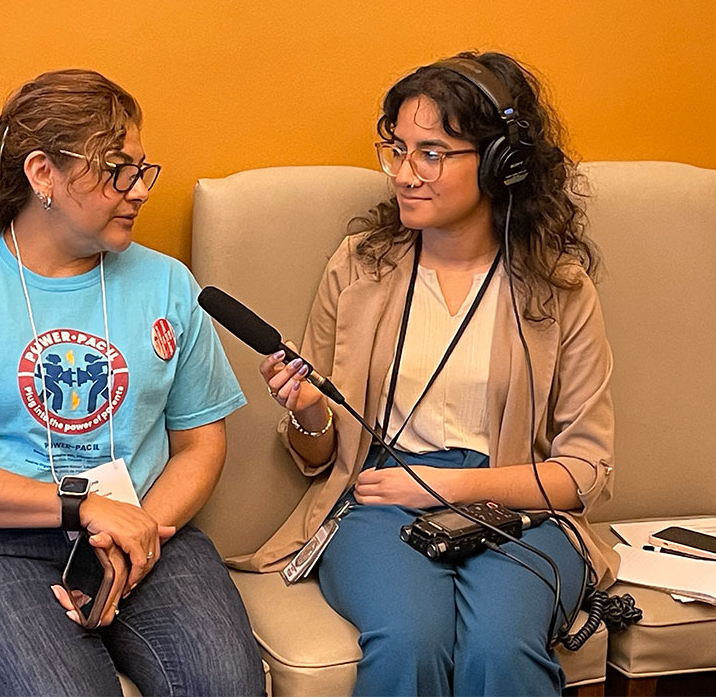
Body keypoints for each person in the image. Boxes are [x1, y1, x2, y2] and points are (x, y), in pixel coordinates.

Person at [0, 69, 265, 697]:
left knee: (223, 685)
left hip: (150, 531)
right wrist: (83, 509)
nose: (138, 190)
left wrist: (136, 533)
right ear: (42, 174)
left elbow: (201, 443)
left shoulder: (167, 284)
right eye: (117, 170)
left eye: (143, 170)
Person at [247, 51, 618, 695]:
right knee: (408, 642)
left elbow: (584, 473)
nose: (404, 174)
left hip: (519, 509)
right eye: (396, 149)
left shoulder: (559, 288)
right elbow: (319, 457)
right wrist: (308, 412)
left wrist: (442, 488)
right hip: (379, 504)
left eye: (432, 153)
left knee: (503, 646)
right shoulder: (359, 268)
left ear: (502, 164)